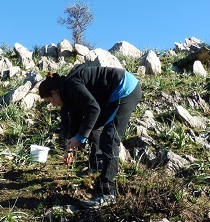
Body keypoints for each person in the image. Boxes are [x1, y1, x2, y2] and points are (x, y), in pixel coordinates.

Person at [38, 63, 142, 208]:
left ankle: (107, 193)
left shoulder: (71, 86)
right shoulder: (68, 94)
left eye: (50, 101)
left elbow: (93, 109)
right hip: (112, 94)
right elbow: (76, 120)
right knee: (91, 126)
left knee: (110, 138)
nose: (52, 104)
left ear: (54, 93)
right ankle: (98, 165)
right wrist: (70, 147)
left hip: (124, 88)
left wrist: (80, 138)